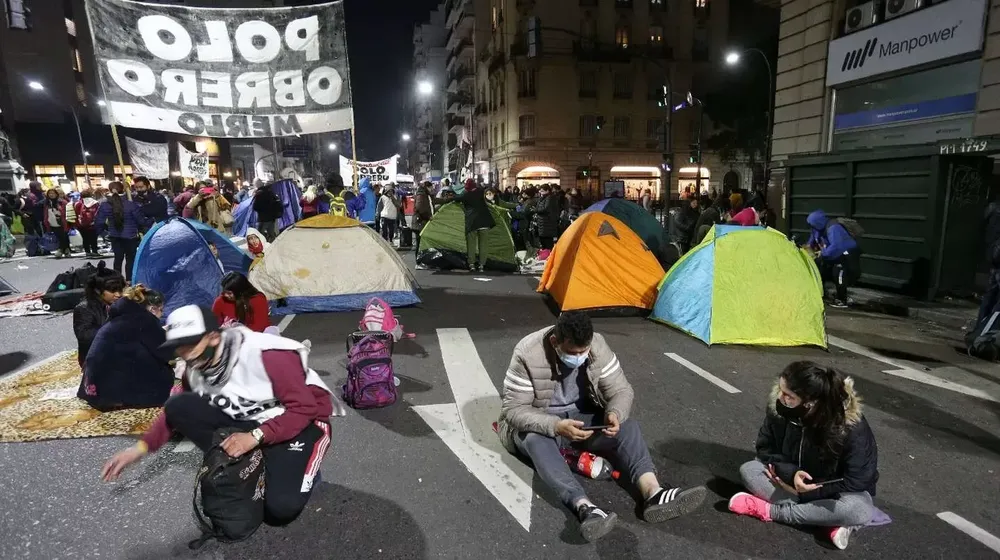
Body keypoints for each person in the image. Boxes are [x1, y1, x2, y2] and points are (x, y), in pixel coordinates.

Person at [101, 305, 334, 529]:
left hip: (304, 423)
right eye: (178, 347)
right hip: (254, 419)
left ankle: (303, 468)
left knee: (280, 511)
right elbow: (173, 414)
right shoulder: (196, 368)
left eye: (190, 344)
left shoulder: (266, 355)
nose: (185, 354)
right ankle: (250, 463)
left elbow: (305, 409)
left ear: (213, 337)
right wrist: (138, 450)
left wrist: (255, 437)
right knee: (180, 404)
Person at [497, 312, 706, 542]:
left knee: (628, 426)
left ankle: (653, 492)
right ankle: (585, 507)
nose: (579, 357)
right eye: (573, 353)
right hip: (543, 421)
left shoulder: (597, 345)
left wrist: (614, 413)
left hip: (583, 418)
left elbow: (621, 391)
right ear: (556, 342)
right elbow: (514, 410)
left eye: (583, 351)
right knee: (536, 441)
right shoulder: (528, 352)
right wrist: (556, 426)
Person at [729, 361, 878, 550]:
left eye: (788, 396)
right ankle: (824, 521)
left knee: (860, 509)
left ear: (810, 402)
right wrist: (791, 474)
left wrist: (810, 491)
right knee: (749, 470)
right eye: (781, 390)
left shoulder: (850, 426)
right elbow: (765, 449)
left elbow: (859, 479)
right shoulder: (779, 410)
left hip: (830, 490)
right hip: (789, 482)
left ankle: (772, 511)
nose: (781, 398)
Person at [78, 284, 173, 411]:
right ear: (152, 309)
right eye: (161, 310)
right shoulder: (143, 319)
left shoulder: (119, 315)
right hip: (115, 393)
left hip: (92, 387)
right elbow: (166, 351)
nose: (161, 314)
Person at [805, 210, 861, 309]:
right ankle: (822, 293)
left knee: (839, 274)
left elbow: (837, 246)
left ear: (817, 223)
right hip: (833, 254)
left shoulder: (834, 228)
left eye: (812, 224)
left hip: (846, 253)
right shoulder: (817, 228)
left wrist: (823, 253)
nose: (811, 226)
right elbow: (812, 240)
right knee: (820, 269)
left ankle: (842, 300)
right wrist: (808, 249)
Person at [95, 181, 149, 282]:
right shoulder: (130, 204)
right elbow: (141, 220)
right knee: (130, 260)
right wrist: (150, 221)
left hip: (115, 235)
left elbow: (98, 222)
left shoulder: (105, 205)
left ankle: (117, 281)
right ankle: (129, 280)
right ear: (123, 190)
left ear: (110, 190)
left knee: (118, 259)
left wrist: (103, 233)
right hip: (130, 236)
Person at [73, 272, 125, 368]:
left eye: (120, 290)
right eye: (112, 291)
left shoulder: (122, 304)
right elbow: (84, 335)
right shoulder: (84, 308)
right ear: (97, 290)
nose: (118, 294)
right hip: (97, 359)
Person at [453, 179, 496, 271]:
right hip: (484, 221)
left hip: (472, 223)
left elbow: (456, 198)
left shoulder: (466, 195)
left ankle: (471, 264)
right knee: (483, 244)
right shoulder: (481, 192)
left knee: (471, 244)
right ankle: (481, 265)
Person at [42, 188, 71, 258]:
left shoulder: (62, 202)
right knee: (59, 237)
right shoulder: (47, 203)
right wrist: (46, 223)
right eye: (49, 193)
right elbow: (46, 214)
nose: (51, 195)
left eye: (53, 193)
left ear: (56, 194)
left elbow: (68, 211)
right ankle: (66, 250)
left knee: (64, 237)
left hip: (63, 223)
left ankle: (61, 250)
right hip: (52, 223)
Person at [74, 188, 102, 258]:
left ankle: (87, 252)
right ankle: (94, 251)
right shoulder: (95, 202)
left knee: (85, 238)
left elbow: (76, 214)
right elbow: (98, 213)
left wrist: (77, 223)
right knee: (93, 238)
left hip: (82, 225)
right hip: (92, 224)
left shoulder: (78, 203)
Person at [534, 184, 561, 250]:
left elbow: (546, 208)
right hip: (542, 223)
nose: (540, 192)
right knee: (543, 242)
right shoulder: (542, 198)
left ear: (548, 191)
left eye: (542, 191)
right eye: (540, 191)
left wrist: (536, 210)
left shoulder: (550, 198)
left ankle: (549, 257)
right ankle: (546, 256)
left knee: (548, 242)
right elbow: (538, 207)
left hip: (548, 223)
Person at [413, 181, 434, 255]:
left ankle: (420, 260)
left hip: (422, 222)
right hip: (420, 223)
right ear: (427, 187)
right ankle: (418, 261)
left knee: (421, 243)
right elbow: (420, 208)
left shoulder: (425, 194)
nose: (432, 189)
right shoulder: (421, 195)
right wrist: (428, 216)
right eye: (431, 187)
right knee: (419, 243)